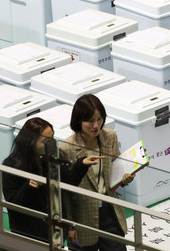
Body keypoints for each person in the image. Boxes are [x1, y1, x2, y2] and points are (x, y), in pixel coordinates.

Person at [3, 117, 100, 242]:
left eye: (52, 138)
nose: (52, 143)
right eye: (46, 140)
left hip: (54, 228)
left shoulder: (53, 157)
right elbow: (13, 205)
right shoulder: (12, 166)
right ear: (31, 142)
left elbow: (67, 183)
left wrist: (81, 165)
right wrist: (28, 187)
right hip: (29, 232)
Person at [60, 94, 135, 251]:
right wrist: (69, 224)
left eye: (99, 119)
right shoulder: (66, 148)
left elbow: (116, 169)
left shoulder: (110, 137)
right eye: (90, 121)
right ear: (78, 121)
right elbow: (65, 192)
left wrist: (125, 178)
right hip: (83, 215)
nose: (96, 125)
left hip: (109, 209)